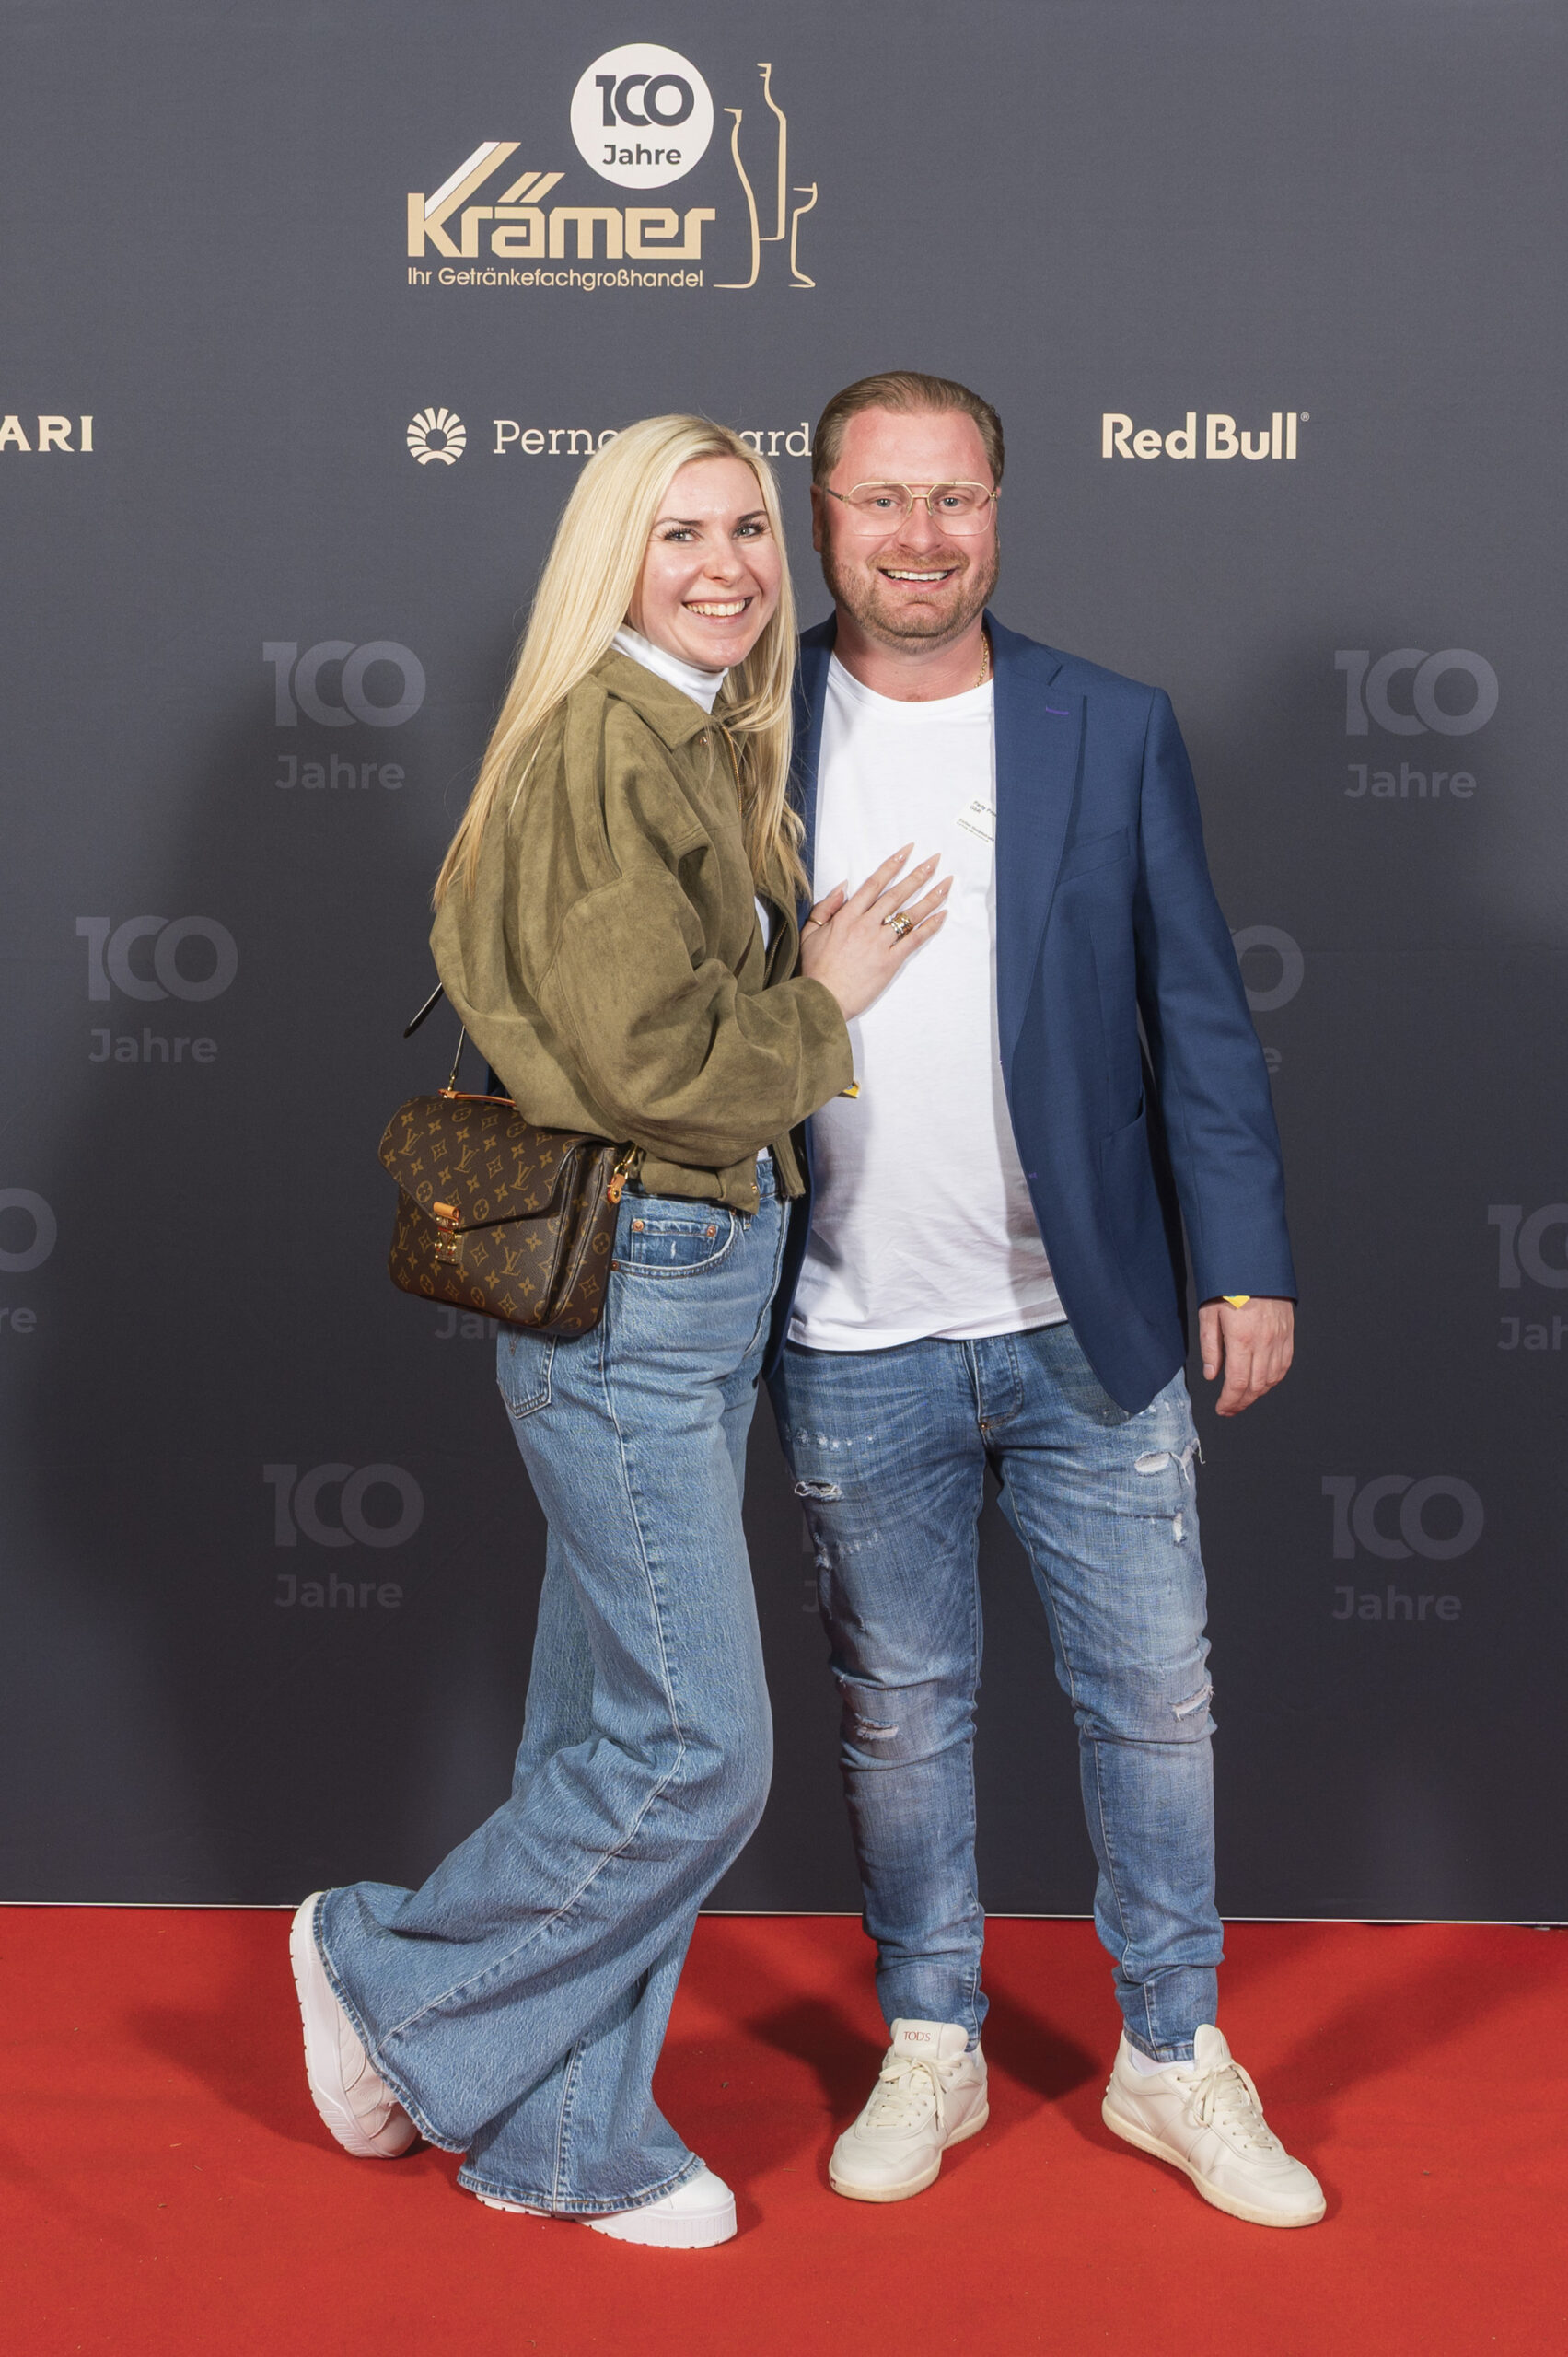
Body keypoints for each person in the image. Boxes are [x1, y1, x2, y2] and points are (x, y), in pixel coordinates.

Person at [287, 415, 947, 2249]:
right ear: (614, 557)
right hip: (639, 1279)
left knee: (605, 1726)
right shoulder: (605, 744)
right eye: (679, 533)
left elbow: (647, 1022)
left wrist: (780, 979)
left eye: (747, 528)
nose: (728, 565)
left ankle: (564, 2138)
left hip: (691, 1274)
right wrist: (822, 999)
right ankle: (382, 1965)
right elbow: (651, 1067)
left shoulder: (685, 734)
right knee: (693, 1750)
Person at [767, 373, 1325, 2227]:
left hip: (1088, 1319)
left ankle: (1173, 2050)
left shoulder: (1116, 723)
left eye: (954, 498)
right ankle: (931, 2035)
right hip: (850, 1323)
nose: (919, 536)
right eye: (882, 500)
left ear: (998, 512)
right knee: (901, 1711)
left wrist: (1239, 1256)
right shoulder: (742, 728)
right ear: (821, 515)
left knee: (1154, 1701)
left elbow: (1201, 1018)